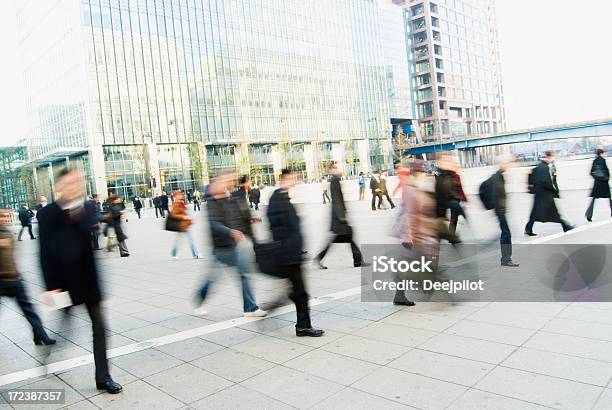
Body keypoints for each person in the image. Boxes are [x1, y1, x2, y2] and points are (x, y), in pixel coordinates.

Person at [37, 168, 122, 394]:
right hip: (64, 283)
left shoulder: (87, 208)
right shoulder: (47, 215)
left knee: (100, 328)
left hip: (89, 280)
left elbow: (92, 239)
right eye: (69, 182)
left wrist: (80, 218)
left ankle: (103, 378)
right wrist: (50, 287)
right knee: (66, 328)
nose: (74, 185)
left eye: (78, 181)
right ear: (59, 186)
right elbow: (45, 253)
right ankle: (49, 353)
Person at [194, 171, 266, 318]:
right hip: (220, 247)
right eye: (225, 180)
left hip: (235, 245)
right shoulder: (211, 201)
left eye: (230, 180)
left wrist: (249, 221)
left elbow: (238, 217)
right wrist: (230, 232)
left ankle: (250, 308)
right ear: (216, 182)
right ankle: (199, 299)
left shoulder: (230, 197)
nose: (229, 183)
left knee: (244, 274)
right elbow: (213, 223)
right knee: (213, 279)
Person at [267, 169, 324, 337]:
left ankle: (274, 308)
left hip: (292, 253)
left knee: (295, 291)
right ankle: (303, 326)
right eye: (292, 178)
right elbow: (277, 227)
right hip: (289, 255)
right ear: (284, 179)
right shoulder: (278, 198)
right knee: (300, 293)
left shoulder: (283, 197)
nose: (295, 181)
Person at [0, 209, 56, 346]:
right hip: (2, 280)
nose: (4, 219)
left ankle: (41, 336)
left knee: (29, 310)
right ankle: (40, 336)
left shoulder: (7, 232)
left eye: (5, 217)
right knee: (28, 309)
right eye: (1, 216)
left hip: (14, 278)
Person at [392, 161, 438, 306]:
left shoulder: (413, 188)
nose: (425, 176)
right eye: (423, 173)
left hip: (418, 235)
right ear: (418, 173)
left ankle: (402, 294)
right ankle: (426, 287)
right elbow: (409, 215)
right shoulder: (411, 189)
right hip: (414, 237)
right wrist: (408, 237)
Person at [315, 163, 368, 269]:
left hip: (338, 217)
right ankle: (357, 261)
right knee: (348, 237)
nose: (339, 169)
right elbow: (337, 200)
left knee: (342, 238)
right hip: (339, 218)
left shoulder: (335, 180)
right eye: (336, 168)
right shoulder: (334, 181)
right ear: (332, 170)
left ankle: (320, 257)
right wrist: (341, 217)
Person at [524, 151, 574, 235]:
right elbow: (546, 182)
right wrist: (554, 191)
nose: (553, 159)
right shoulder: (544, 168)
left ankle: (528, 229)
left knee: (535, 212)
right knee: (554, 212)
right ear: (549, 157)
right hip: (545, 195)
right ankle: (565, 226)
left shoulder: (539, 167)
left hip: (539, 194)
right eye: (552, 157)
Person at [491, 156, 519, 267]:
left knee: (505, 233)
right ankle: (506, 259)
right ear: (500, 164)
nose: (508, 165)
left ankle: (505, 259)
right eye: (505, 163)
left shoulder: (500, 176)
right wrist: (499, 209)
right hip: (500, 210)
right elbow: (495, 195)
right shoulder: (497, 177)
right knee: (506, 234)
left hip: (501, 209)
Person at [169, 191, 200, 259]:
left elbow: (184, 213)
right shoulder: (176, 204)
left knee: (189, 239)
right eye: (179, 195)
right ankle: (174, 254)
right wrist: (183, 217)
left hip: (185, 224)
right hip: (180, 225)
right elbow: (173, 215)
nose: (181, 196)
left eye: (181, 195)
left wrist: (188, 218)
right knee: (180, 241)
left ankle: (195, 254)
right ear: (175, 196)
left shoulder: (181, 203)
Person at [585, 148, 611, 221]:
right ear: (601, 153)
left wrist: (596, 178)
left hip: (597, 183)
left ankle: (589, 215)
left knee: (593, 199)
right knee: (609, 198)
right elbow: (606, 171)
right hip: (604, 183)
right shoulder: (603, 160)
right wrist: (606, 178)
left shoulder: (594, 161)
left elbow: (591, 172)